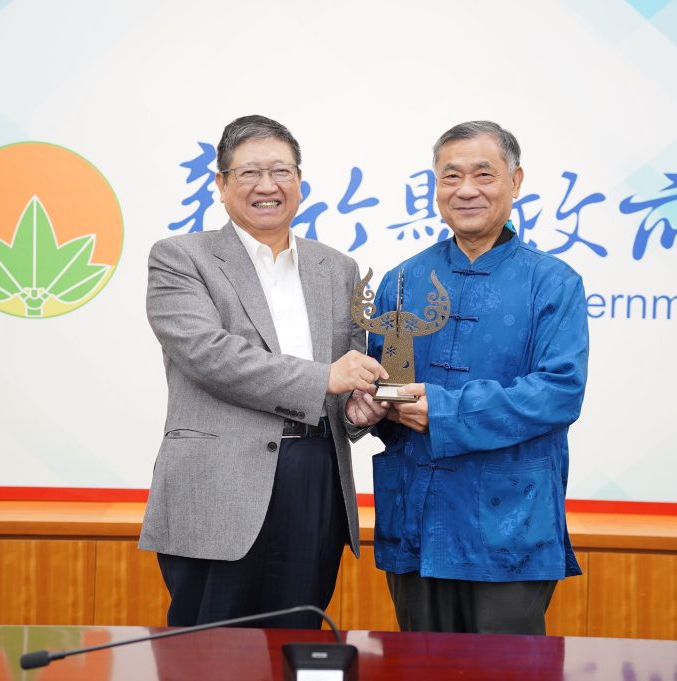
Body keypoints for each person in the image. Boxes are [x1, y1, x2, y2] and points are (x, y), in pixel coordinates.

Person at [140, 115, 386, 629]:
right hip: (218, 484)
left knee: (296, 638)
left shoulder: (337, 268)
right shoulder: (181, 258)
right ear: (221, 184)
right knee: (207, 648)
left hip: (315, 478)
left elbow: (347, 372)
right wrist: (324, 380)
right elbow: (209, 354)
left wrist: (357, 411)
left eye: (280, 171)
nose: (267, 186)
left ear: (299, 181)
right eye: (250, 172)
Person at [346, 120, 589, 635]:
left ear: (515, 181)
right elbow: (384, 385)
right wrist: (370, 408)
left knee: (506, 669)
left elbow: (559, 391)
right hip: (416, 519)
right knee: (415, 667)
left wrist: (444, 409)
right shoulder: (402, 279)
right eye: (450, 176)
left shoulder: (553, 283)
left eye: (484, 174)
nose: (466, 190)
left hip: (509, 527)